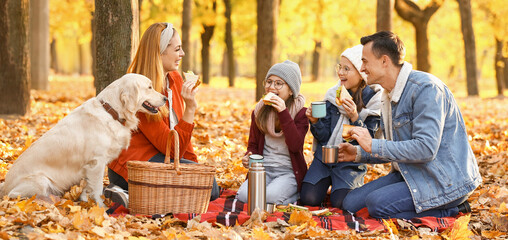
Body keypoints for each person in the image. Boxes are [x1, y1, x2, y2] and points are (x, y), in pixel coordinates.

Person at [339, 31, 482, 219]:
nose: (362, 67)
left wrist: (373, 144)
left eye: (365, 61)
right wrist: (357, 153)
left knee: (376, 205)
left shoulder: (426, 89)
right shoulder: (387, 95)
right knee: (351, 203)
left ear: (384, 61)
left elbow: (425, 149)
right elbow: (396, 148)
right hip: (409, 173)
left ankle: (454, 209)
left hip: (443, 180)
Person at [104, 22, 219, 207]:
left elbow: (181, 142)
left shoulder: (175, 79)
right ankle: (128, 192)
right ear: (160, 52)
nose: (182, 54)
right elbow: (170, 148)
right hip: (134, 165)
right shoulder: (140, 91)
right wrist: (190, 109)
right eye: (177, 49)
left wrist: (193, 167)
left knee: (207, 184)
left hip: (161, 158)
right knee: (209, 188)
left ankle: (136, 196)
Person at [299, 45, 382, 209]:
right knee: (309, 198)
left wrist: (355, 117)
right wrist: (315, 122)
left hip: (350, 162)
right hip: (325, 157)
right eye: (340, 67)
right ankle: (325, 180)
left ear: (361, 73)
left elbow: (369, 143)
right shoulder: (333, 95)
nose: (340, 72)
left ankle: (353, 185)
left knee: (341, 203)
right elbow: (323, 137)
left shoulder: (374, 100)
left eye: (346, 68)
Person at [236, 60, 309, 205]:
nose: (271, 87)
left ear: (291, 90)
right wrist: (248, 156)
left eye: (278, 83)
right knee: (243, 196)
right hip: (264, 171)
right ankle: (280, 198)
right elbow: (253, 145)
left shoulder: (301, 113)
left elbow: (295, 146)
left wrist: (283, 112)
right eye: (269, 82)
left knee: (269, 198)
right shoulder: (259, 111)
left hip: (288, 172)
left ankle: (294, 195)